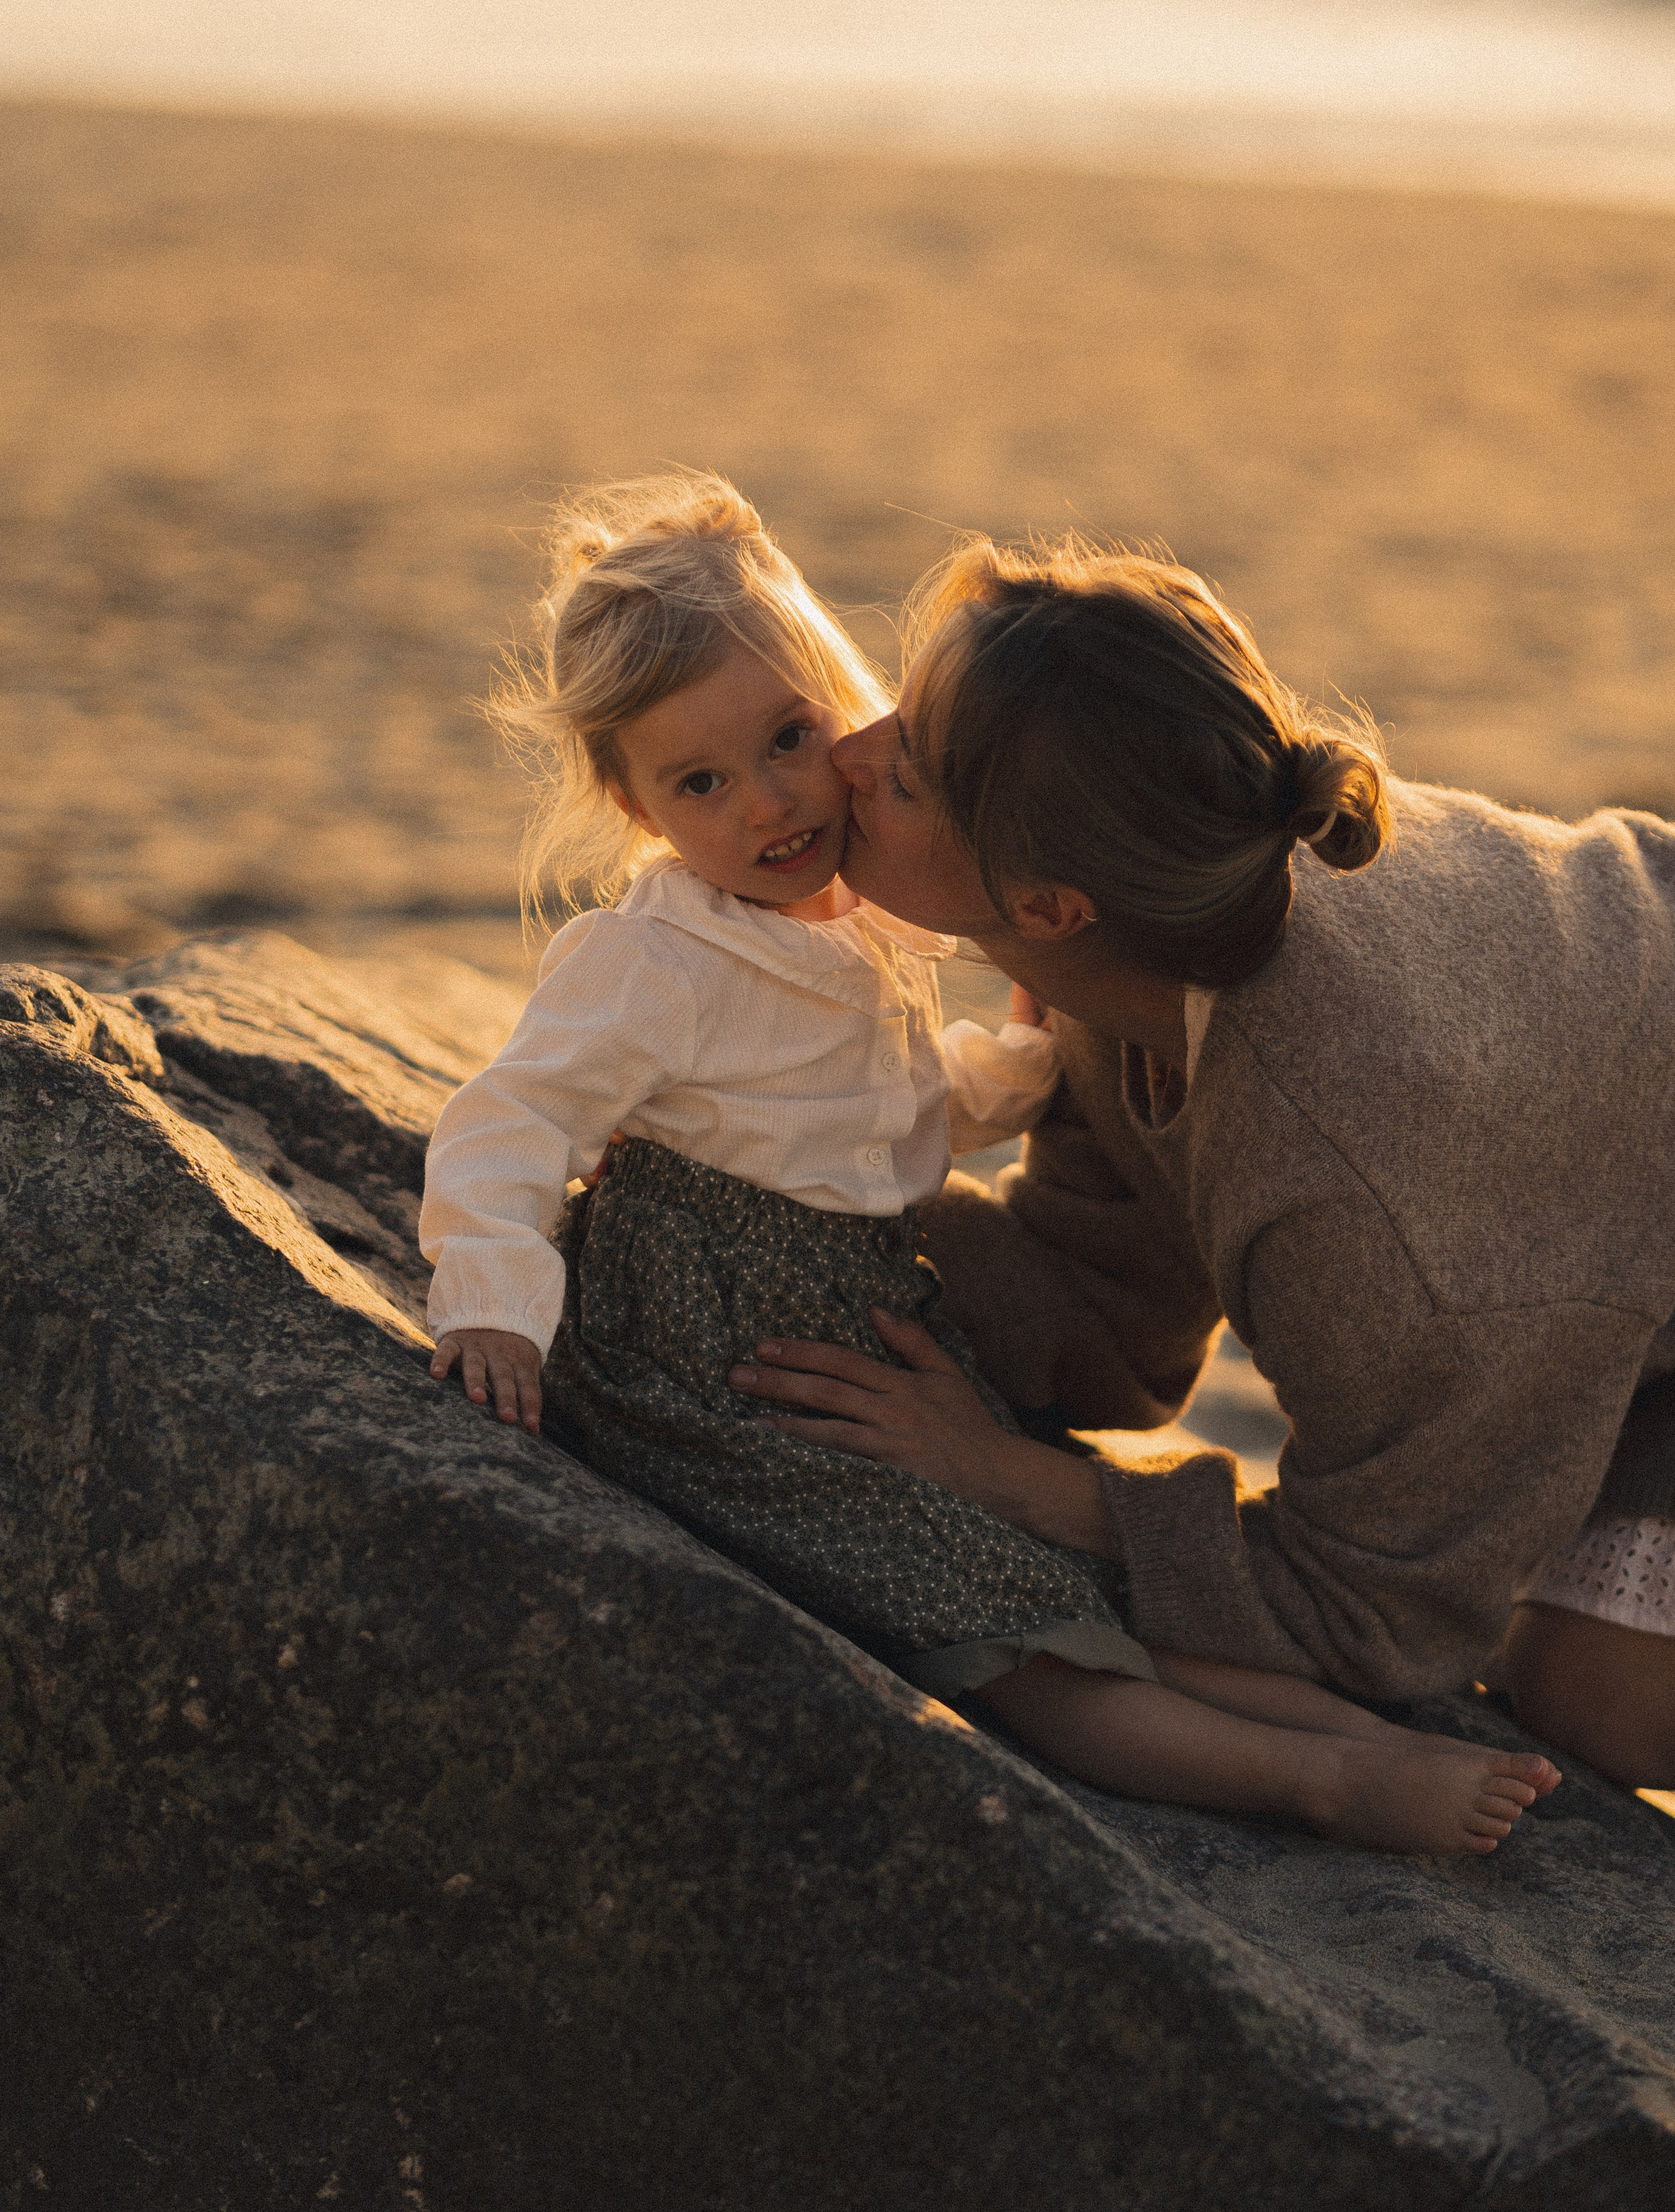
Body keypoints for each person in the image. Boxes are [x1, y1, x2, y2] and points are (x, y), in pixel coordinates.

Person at [420, 474, 1557, 1854]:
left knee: (1040, 1573)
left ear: (836, 699)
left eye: (790, 738)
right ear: (634, 803)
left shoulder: (840, 916)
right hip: (720, 1350)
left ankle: (1359, 1734)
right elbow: (512, 1117)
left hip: (853, 1309)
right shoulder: (651, 959)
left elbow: (876, 1107)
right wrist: (491, 1298)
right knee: (1005, 1640)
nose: (772, 802)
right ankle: (1321, 1782)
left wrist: (1017, 1070)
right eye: (702, 783)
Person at [726, 532, 1675, 1807]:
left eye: (905, 771)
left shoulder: (1363, 1186)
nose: (850, 754)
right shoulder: (1152, 903)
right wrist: (753, 1158)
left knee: (1611, 1695)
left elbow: (1376, 1618)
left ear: (1049, 906)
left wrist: (1024, 1486)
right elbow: (1109, 1318)